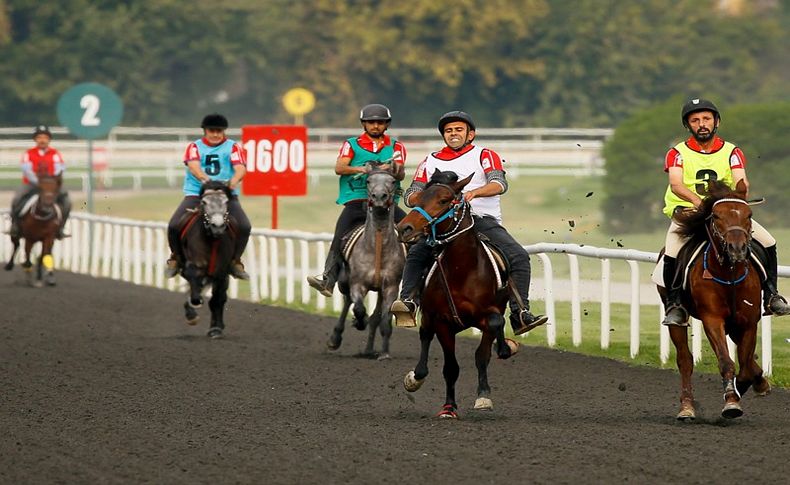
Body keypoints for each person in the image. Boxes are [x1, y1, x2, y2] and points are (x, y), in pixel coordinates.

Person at [390, 110, 548, 335]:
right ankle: (408, 302)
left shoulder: (484, 154)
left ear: (470, 134)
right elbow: (412, 193)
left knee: (519, 256)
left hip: (481, 221)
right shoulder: (429, 161)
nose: (453, 134)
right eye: (448, 131)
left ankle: (520, 313)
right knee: (416, 254)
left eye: (458, 130)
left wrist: (475, 193)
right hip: (441, 224)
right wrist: (428, 198)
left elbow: (499, 183)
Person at [661, 98, 790, 325]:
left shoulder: (732, 151)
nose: (702, 124)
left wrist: (737, 197)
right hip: (689, 212)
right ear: (688, 125)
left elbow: (741, 179)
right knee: (672, 250)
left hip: (725, 213)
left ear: (716, 121)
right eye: (695, 120)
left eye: (706, 119)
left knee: (768, 241)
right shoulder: (677, 152)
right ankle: (675, 305)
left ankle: (771, 295)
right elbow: (676, 185)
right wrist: (700, 203)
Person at [306, 103, 408, 297]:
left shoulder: (397, 146)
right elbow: (340, 168)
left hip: (387, 203)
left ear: (386, 125)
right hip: (357, 199)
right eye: (371, 122)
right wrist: (364, 169)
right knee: (340, 235)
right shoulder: (351, 144)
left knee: (414, 231)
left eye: (380, 122)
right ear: (364, 124)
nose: (375, 126)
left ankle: (416, 284)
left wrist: (394, 168)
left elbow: (400, 173)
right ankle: (328, 279)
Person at [165, 113, 251, 280]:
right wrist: (206, 181)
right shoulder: (194, 147)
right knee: (174, 225)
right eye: (212, 130)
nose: (216, 134)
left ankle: (235, 261)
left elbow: (240, 167)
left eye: (219, 131)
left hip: (226, 195)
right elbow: (194, 166)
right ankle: (175, 257)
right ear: (205, 131)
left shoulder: (233, 147)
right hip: (197, 193)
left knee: (245, 226)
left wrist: (233, 181)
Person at [8, 125, 71, 239]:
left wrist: (52, 181)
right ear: (35, 139)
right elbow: (27, 170)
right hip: (32, 184)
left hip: (51, 185)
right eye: (39, 137)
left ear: (49, 139)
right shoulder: (29, 153)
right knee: (17, 199)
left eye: (45, 137)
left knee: (67, 201)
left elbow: (60, 168)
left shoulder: (55, 154)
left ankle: (61, 227)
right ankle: (15, 226)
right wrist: (39, 182)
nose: (42, 140)